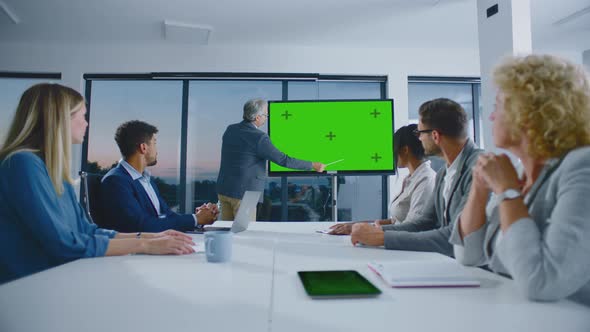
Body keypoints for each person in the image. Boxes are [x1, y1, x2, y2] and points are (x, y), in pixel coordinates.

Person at [0, 84, 195, 284]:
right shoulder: (23, 164)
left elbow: (86, 230)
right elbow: (64, 244)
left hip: (57, 277)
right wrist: (144, 245)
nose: (87, 124)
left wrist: (151, 237)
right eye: (82, 116)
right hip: (29, 286)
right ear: (60, 118)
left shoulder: (55, 171)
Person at [450, 54, 590, 304]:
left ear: (528, 111)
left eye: (498, 106)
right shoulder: (518, 171)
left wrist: (507, 190)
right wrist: (479, 191)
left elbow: (543, 282)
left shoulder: (581, 165)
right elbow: (468, 256)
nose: (491, 117)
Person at [344, 98, 484, 257]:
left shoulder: (479, 167)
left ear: (435, 136)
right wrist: (374, 231)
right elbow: (424, 223)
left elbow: (456, 236)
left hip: (479, 271)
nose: (419, 139)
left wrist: (382, 237)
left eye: (420, 133)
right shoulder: (444, 174)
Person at [216, 98, 325, 221]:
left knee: (226, 231)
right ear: (257, 117)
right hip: (245, 194)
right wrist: (312, 165)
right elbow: (283, 160)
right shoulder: (259, 138)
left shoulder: (230, 129)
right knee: (244, 233)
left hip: (224, 190)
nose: (266, 118)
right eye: (265, 115)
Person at [100, 120, 218, 233]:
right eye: (154, 143)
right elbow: (142, 226)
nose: (157, 150)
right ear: (144, 148)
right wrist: (195, 219)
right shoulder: (116, 181)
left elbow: (167, 215)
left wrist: (199, 216)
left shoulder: (146, 179)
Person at [329, 124, 436, 232]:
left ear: (404, 150)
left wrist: (363, 229)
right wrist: (360, 225)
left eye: (394, 150)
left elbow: (413, 227)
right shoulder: (410, 178)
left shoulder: (426, 180)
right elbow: (400, 220)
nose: (392, 155)